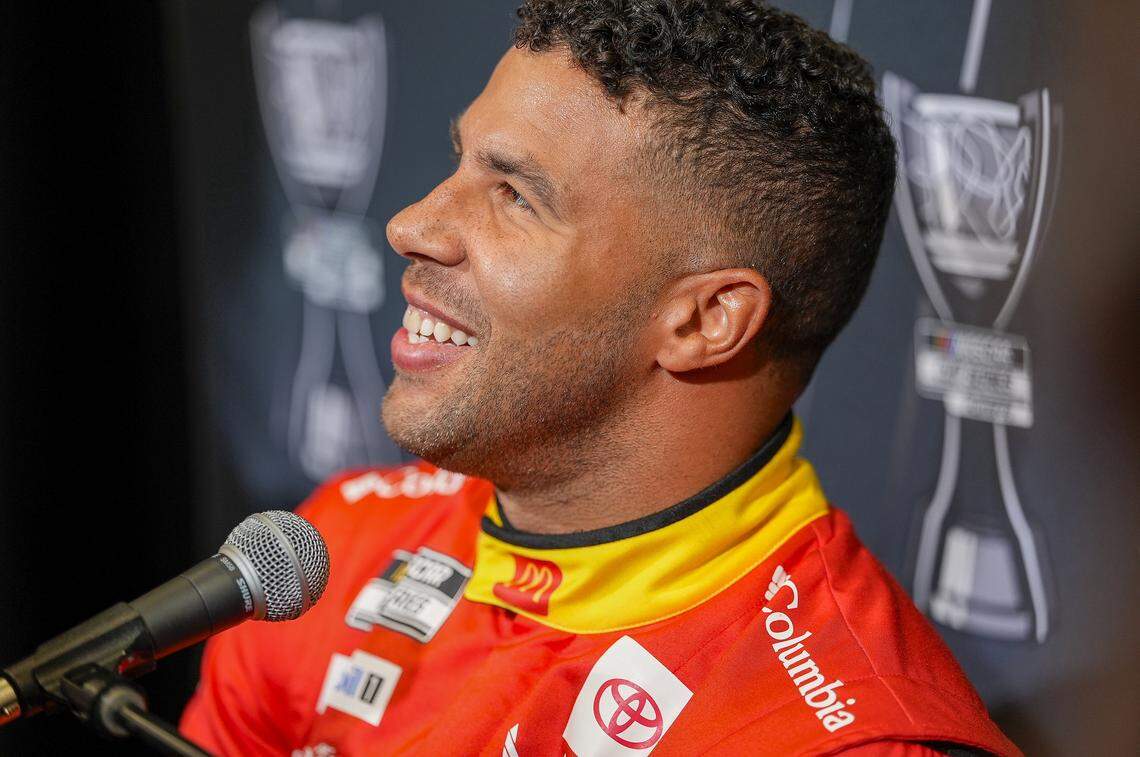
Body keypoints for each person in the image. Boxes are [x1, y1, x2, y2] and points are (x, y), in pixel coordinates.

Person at [182, 1, 1019, 755]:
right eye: (462, 162)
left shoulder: (840, 737)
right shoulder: (341, 550)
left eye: (515, 196)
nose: (411, 225)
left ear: (704, 320)